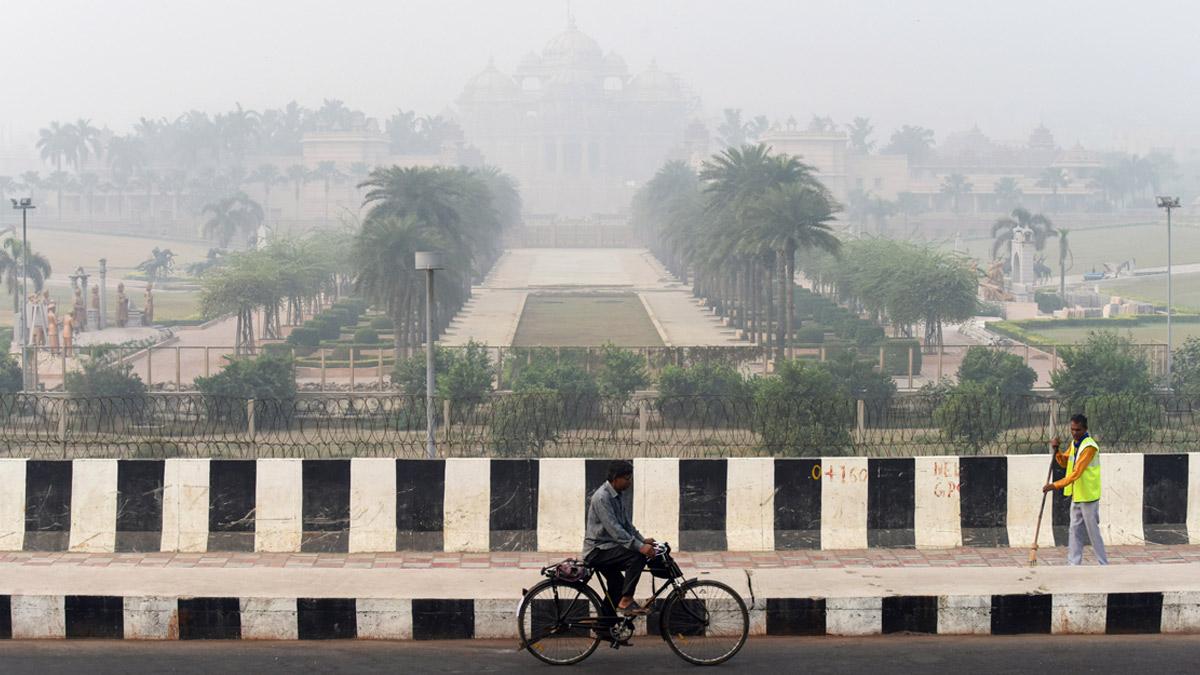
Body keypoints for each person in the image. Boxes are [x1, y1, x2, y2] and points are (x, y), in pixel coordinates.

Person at [584, 460, 657, 615]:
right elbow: (615, 530)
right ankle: (627, 600)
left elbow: (626, 525)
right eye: (627, 478)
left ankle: (605, 628)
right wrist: (640, 547)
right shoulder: (602, 497)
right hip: (597, 551)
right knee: (637, 556)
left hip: (609, 549)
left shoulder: (617, 496)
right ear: (616, 478)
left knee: (617, 585)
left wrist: (642, 540)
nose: (629, 482)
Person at [1043, 413, 1107, 565]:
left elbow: (1076, 472)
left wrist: (1055, 485)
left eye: (1077, 430)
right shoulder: (1075, 444)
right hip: (1077, 494)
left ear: (1085, 429)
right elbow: (1065, 462)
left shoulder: (1089, 447)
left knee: (1093, 532)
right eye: (1072, 429)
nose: (1074, 433)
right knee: (1074, 530)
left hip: (1089, 496)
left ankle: (1103, 564)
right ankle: (1073, 563)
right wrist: (1056, 450)